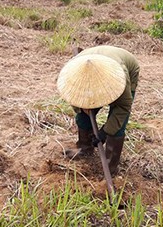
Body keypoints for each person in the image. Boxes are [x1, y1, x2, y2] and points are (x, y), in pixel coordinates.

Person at [57, 45, 140, 176]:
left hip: (124, 68)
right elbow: (72, 96)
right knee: (82, 116)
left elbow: (123, 108)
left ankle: (110, 166)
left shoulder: (120, 78)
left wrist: (104, 133)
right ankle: (85, 149)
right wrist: (83, 108)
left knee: (117, 126)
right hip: (90, 62)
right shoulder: (73, 75)